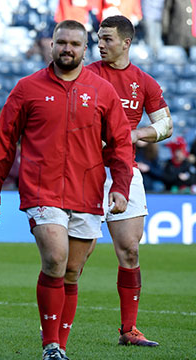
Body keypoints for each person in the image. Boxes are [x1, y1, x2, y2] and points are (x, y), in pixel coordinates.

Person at [0, 20, 133, 360]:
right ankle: (50, 345)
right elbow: (3, 142)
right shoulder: (27, 88)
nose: (67, 49)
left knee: (72, 271)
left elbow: (121, 145)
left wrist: (120, 187)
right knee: (55, 257)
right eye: (61, 42)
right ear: (51, 46)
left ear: (85, 49)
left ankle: (59, 346)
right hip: (41, 191)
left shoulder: (102, 91)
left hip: (87, 192)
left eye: (75, 44)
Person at [85, 14, 173, 347]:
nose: (100, 44)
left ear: (126, 42)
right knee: (80, 253)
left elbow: (166, 126)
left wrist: (134, 134)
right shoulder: (89, 74)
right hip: (88, 169)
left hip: (126, 171)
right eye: (98, 38)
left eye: (107, 38)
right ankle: (54, 327)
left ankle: (129, 330)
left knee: (130, 251)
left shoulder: (144, 82)